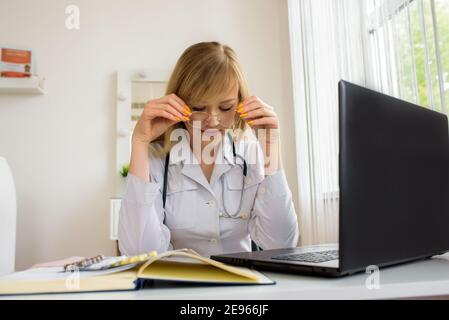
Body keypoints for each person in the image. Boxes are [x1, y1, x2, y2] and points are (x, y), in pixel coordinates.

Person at [118, 41, 299, 257]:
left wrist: (271, 147)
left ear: (240, 103)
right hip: (178, 287)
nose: (212, 120)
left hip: (241, 286)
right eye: (198, 108)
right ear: (179, 103)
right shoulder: (156, 162)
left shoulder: (251, 157)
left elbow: (281, 246)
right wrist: (139, 141)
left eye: (225, 107)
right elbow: (138, 253)